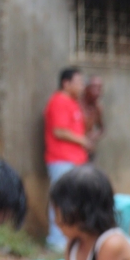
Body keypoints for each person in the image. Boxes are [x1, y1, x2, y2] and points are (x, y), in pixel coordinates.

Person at [43, 67, 90, 250]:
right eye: (78, 82)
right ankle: (56, 241)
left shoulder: (73, 102)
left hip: (75, 161)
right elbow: (59, 131)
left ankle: (70, 239)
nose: (81, 86)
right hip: (61, 160)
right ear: (66, 83)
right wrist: (83, 140)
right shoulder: (59, 101)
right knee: (60, 200)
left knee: (74, 201)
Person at [80, 75, 105, 160]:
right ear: (86, 88)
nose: (97, 92)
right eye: (94, 87)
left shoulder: (97, 108)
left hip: (88, 151)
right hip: (74, 149)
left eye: (99, 88)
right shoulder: (77, 105)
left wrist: (94, 136)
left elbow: (101, 128)